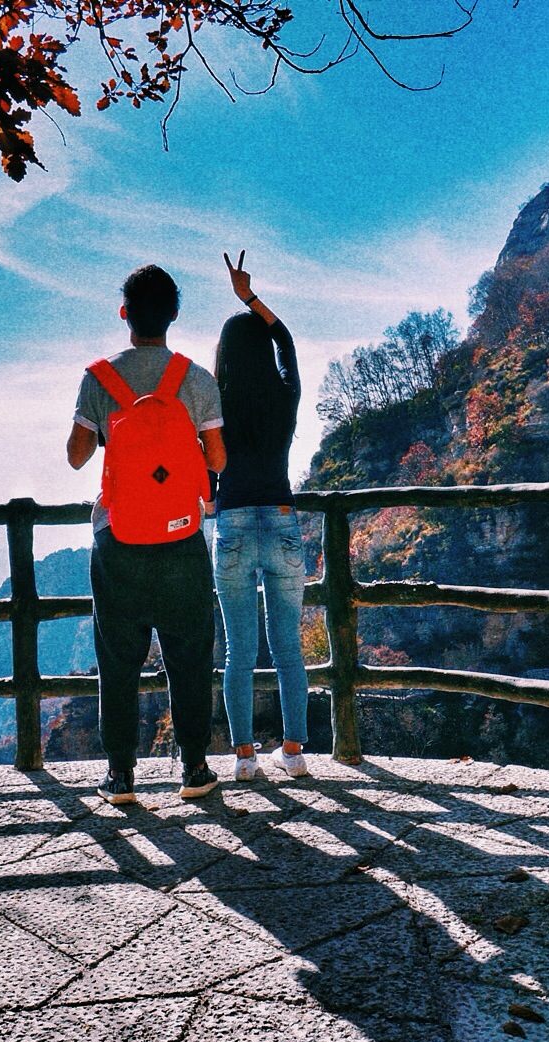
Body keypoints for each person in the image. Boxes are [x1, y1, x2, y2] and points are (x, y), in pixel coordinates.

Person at [67, 264, 227, 803]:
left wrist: (115, 435)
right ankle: (196, 768)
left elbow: (75, 456)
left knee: (117, 657)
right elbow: (218, 459)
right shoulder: (197, 379)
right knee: (188, 652)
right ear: (175, 314)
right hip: (182, 539)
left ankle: (120, 776)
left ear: (125, 314)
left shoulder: (98, 379)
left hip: (119, 540)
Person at [211, 251, 309, 781]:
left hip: (232, 523)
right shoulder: (285, 395)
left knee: (239, 652)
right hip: (281, 515)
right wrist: (249, 297)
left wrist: (210, 497)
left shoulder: (216, 401)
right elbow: (287, 342)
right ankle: (292, 753)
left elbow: (209, 468)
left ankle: (246, 759)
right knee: (288, 645)